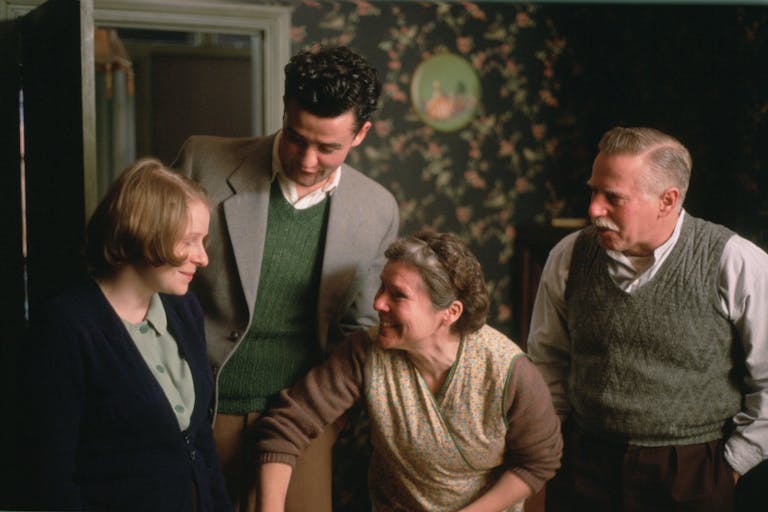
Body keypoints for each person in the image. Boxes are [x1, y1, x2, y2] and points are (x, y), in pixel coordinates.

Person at [173, 44, 399, 512]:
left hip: (303, 418)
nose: (309, 160)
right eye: (297, 138)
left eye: (328, 147)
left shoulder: (378, 209)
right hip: (194, 405)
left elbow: (358, 330)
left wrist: (330, 419)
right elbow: (151, 280)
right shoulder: (203, 163)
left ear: (361, 135)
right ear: (284, 110)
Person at [527, 126, 768, 511]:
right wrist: (549, 450)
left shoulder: (734, 261)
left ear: (667, 200)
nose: (593, 209)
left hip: (690, 471)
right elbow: (547, 363)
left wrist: (730, 467)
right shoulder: (569, 255)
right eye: (593, 191)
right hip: (583, 463)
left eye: (613, 197)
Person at [256, 230, 563, 512]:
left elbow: (538, 462)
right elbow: (288, 425)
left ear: (450, 313)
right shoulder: (366, 351)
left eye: (397, 295)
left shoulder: (508, 371)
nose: (377, 303)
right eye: (381, 288)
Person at [18, 159, 231, 511]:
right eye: (189, 241)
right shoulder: (65, 328)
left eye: (203, 241)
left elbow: (201, 442)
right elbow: (50, 477)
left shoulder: (184, 309)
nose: (203, 257)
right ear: (144, 232)